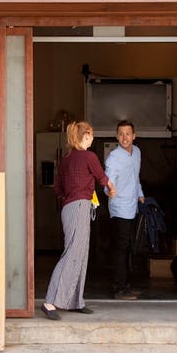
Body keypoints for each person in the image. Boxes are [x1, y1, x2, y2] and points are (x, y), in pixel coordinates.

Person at [41, 121, 116, 320]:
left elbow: (58, 188)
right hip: (80, 206)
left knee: (80, 253)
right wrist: (111, 188)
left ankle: (75, 301)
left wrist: (71, 195)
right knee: (73, 253)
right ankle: (49, 301)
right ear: (85, 136)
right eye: (90, 135)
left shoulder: (66, 159)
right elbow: (102, 177)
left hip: (69, 207)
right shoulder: (89, 156)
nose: (92, 138)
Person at [104, 120, 145, 300]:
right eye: (121, 134)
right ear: (116, 136)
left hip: (132, 206)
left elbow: (136, 178)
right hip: (119, 207)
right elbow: (108, 179)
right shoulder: (114, 157)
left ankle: (126, 286)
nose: (124, 137)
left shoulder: (137, 152)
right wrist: (109, 189)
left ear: (134, 136)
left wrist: (140, 194)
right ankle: (119, 288)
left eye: (128, 133)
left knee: (129, 247)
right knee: (121, 248)